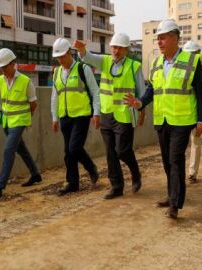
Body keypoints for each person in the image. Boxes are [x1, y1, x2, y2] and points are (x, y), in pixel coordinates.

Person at [125, 19, 202, 219]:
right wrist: (140, 103)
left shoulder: (192, 61)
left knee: (175, 160)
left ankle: (175, 203)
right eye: (158, 39)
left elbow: (200, 93)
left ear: (174, 38)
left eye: (162, 38)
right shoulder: (156, 63)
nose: (159, 42)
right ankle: (172, 194)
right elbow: (152, 89)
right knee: (166, 162)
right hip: (162, 119)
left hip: (182, 119)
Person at [73, 33, 144, 199]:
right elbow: (88, 57)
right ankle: (117, 186)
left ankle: (135, 172)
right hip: (106, 113)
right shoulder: (104, 61)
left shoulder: (134, 66)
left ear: (126, 49)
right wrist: (82, 49)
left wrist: (141, 110)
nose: (116, 50)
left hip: (125, 115)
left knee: (122, 150)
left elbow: (141, 92)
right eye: (114, 47)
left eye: (119, 47)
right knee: (110, 152)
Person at [0, 48, 42, 199]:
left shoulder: (26, 81)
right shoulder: (0, 80)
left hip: (19, 122)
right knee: (21, 149)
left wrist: (26, 118)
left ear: (13, 64)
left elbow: (33, 104)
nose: (2, 70)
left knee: (8, 150)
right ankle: (35, 174)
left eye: (4, 66)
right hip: (6, 121)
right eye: (0, 67)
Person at [51, 38, 100, 196]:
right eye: (57, 57)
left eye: (62, 56)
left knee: (74, 148)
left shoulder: (82, 68)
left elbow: (95, 91)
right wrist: (54, 117)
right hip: (65, 116)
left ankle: (91, 168)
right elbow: (55, 96)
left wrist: (96, 113)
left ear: (69, 53)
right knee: (68, 151)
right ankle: (72, 183)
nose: (60, 60)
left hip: (81, 115)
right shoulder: (57, 72)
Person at [182, 40, 202, 184]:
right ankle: (188, 173)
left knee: (195, 142)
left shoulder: (199, 68)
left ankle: (192, 173)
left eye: (193, 53)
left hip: (194, 112)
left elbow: (201, 93)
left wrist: (201, 118)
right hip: (182, 113)